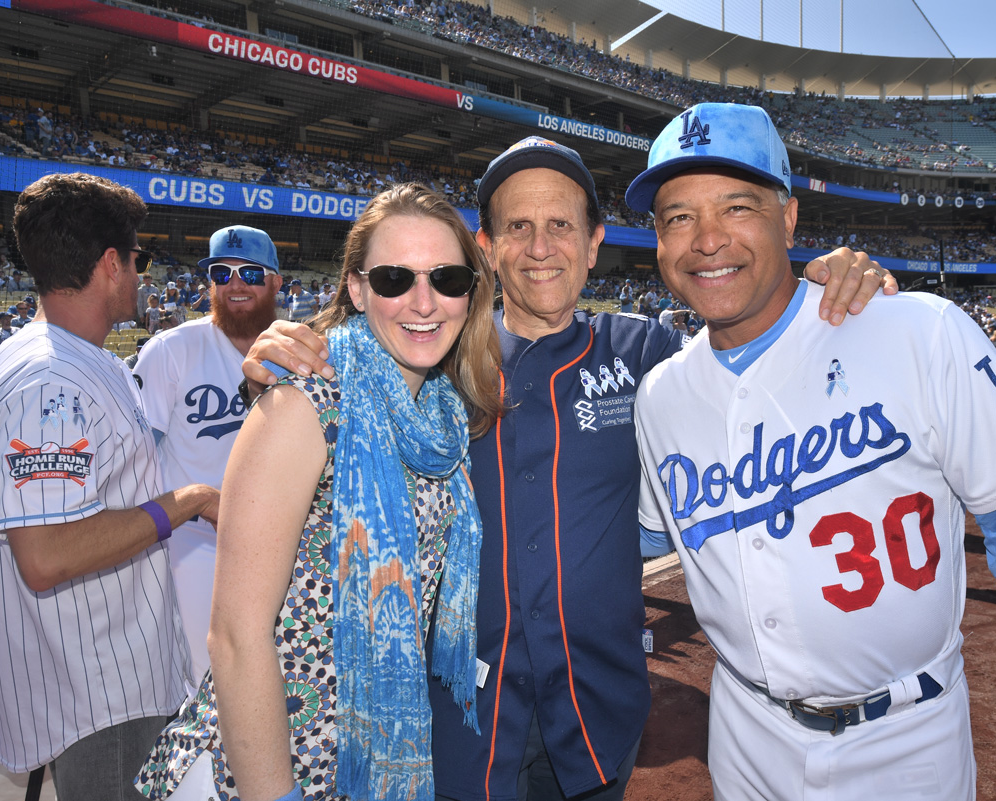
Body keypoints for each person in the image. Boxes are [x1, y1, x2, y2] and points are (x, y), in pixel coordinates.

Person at [241, 137, 896, 801]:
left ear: (593, 242)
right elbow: (333, 400)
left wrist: (816, 290)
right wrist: (287, 351)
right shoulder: (432, 358)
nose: (540, 246)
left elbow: (753, 360)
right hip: (457, 718)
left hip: (594, 708)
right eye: (518, 227)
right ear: (488, 246)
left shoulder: (648, 352)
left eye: (561, 226)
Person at [627, 102, 996, 800]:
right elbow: (631, 538)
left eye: (736, 206)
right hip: (745, 738)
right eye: (678, 216)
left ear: (788, 218)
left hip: (908, 740)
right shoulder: (661, 395)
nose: (706, 239)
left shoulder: (916, 331)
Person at [136, 184, 502, 801]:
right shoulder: (302, 406)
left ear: (470, 290)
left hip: (369, 753)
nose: (423, 301)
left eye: (446, 277)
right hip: (265, 766)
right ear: (357, 289)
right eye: (392, 278)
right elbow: (235, 634)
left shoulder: (445, 414)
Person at [0, 172, 219, 799]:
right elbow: (48, 555)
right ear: (111, 264)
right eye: (138, 259)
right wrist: (186, 503)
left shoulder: (76, 356)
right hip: (98, 693)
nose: (142, 275)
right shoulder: (50, 381)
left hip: (108, 674)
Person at [134, 224, 284, 683]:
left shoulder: (295, 350)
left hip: (281, 540)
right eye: (222, 273)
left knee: (277, 671)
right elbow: (136, 456)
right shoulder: (172, 349)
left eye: (251, 274)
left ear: (277, 281)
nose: (235, 284)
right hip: (195, 545)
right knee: (208, 679)